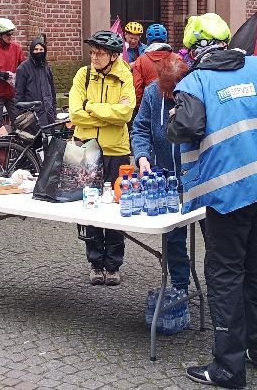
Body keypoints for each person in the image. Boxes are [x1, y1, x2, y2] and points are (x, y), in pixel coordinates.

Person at [166, 13, 257, 389]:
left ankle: (228, 368)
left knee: (225, 275)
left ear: (195, 48)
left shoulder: (194, 82)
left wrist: (172, 119)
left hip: (227, 194)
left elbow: (187, 128)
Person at [71, 30, 135, 284]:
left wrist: (91, 108)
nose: (94, 57)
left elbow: (125, 114)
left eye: (100, 53)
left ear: (113, 55)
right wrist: (108, 116)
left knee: (117, 207)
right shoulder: (83, 75)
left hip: (116, 151)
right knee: (91, 206)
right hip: (88, 149)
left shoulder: (124, 75)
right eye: (92, 53)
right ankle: (96, 263)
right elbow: (75, 114)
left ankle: (114, 264)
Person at [130, 52, 191, 291]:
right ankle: (179, 286)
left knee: (214, 238)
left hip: (196, 178)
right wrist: (142, 156)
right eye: (166, 92)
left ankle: (218, 292)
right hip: (166, 179)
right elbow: (141, 128)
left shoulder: (196, 92)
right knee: (174, 238)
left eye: (173, 93)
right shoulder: (152, 93)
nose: (169, 97)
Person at [129, 23, 177, 110]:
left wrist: (139, 107)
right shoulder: (177, 58)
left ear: (148, 40)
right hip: (172, 106)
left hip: (149, 105)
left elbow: (137, 87)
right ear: (165, 40)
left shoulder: (141, 60)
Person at [14, 34, 57, 125]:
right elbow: (19, 94)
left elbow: (52, 90)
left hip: (48, 113)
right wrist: (21, 114)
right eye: (36, 49)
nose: (38, 52)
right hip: (32, 115)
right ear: (31, 50)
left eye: (41, 50)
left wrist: (53, 109)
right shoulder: (23, 68)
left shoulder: (46, 67)